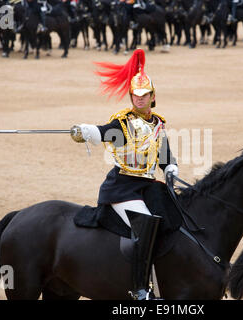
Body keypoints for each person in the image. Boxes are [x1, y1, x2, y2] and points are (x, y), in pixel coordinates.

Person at [70, 49, 178, 300]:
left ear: (153, 96)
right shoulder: (123, 122)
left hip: (148, 186)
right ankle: (140, 288)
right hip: (123, 188)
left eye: (144, 95)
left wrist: (170, 167)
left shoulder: (157, 124)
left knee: (174, 214)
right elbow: (105, 132)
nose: (139, 99)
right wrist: (86, 131)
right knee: (146, 224)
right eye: (135, 95)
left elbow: (164, 155)